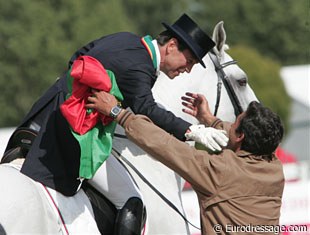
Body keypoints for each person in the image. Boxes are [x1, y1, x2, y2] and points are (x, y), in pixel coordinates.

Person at [3, 14, 228, 234]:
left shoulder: (123, 38)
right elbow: (146, 108)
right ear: (171, 45)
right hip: (71, 133)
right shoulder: (140, 66)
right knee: (131, 201)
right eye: (188, 61)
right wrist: (191, 130)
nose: (187, 69)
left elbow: (76, 58)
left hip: (40, 117)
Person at [85, 90, 285, 235]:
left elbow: (166, 145)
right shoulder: (275, 169)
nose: (228, 126)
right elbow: (240, 138)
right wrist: (210, 120)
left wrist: (118, 113)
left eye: (233, 125)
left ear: (240, 136)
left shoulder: (218, 171)